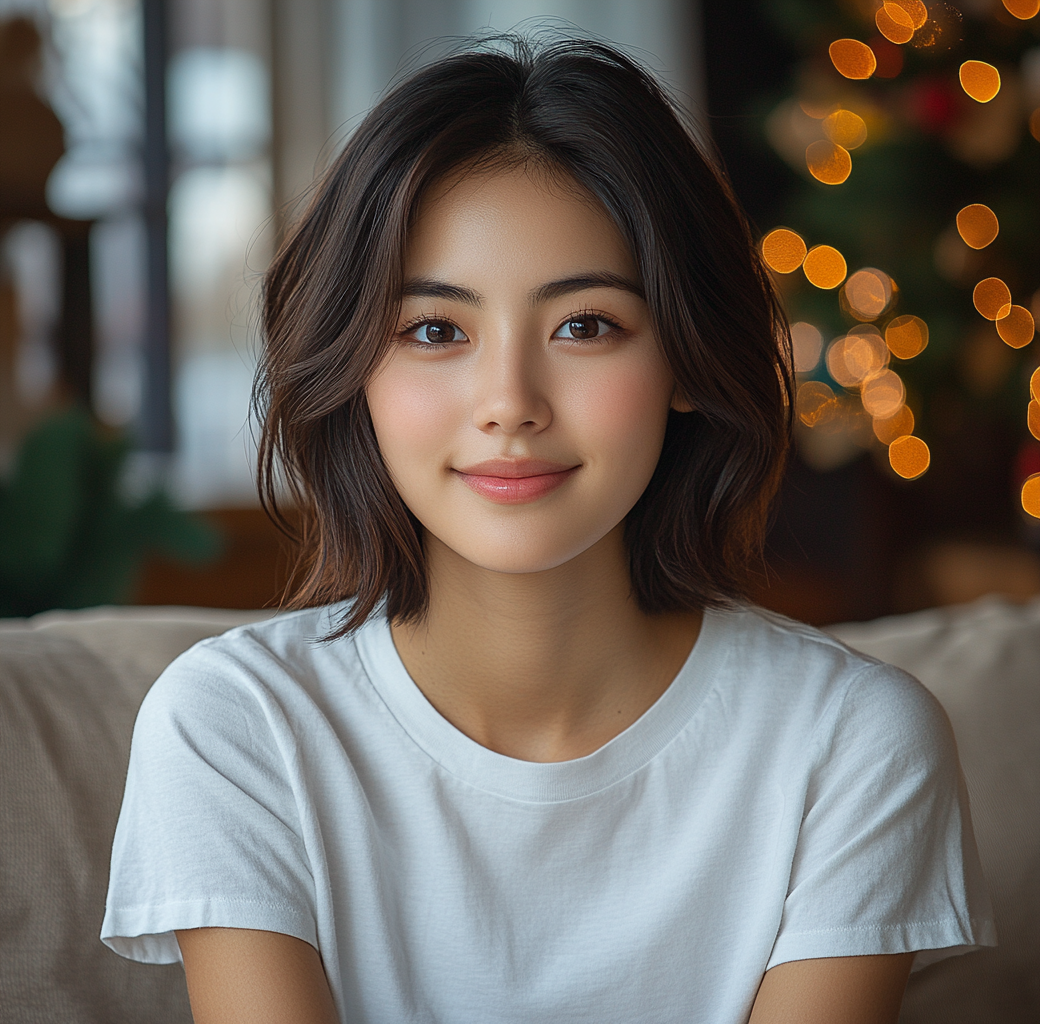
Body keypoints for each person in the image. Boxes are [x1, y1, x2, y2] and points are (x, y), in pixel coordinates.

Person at [102, 38, 994, 1024]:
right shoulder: (235, 727)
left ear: (687, 362)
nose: (508, 403)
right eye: (435, 331)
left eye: (584, 325)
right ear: (353, 371)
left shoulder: (850, 743)